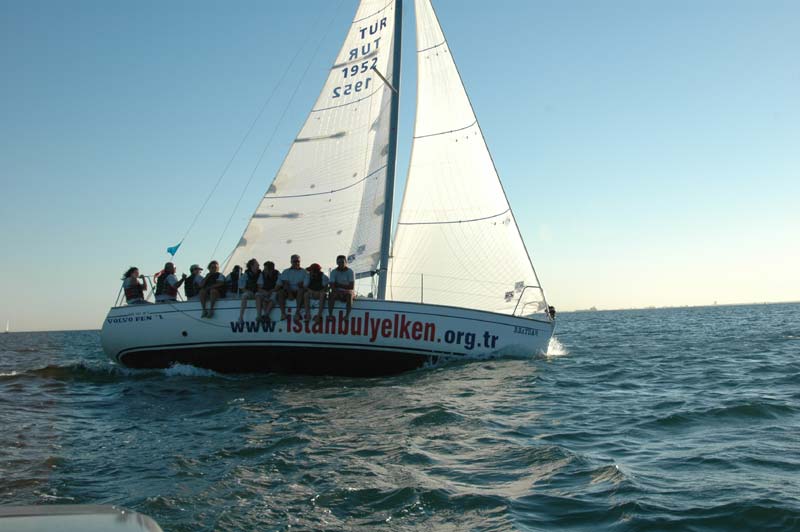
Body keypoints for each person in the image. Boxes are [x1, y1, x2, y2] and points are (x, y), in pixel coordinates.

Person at [277, 254, 306, 322]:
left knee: (301, 291)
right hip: (288, 290)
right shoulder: (286, 271)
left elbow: (305, 284)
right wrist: (290, 294)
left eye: (298, 261)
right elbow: (285, 284)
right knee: (280, 293)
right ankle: (283, 313)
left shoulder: (304, 272)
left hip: (299, 291)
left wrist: (302, 284)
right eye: (295, 261)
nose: (297, 263)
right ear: (291, 262)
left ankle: (297, 313)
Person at [328, 255, 355, 320]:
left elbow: (351, 287)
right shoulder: (333, 272)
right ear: (337, 263)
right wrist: (339, 291)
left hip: (348, 292)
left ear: (346, 262)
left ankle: (347, 316)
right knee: (331, 295)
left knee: (349, 295)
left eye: (342, 262)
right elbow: (332, 286)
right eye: (339, 262)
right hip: (337, 291)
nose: (341, 264)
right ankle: (330, 315)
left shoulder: (350, 271)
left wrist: (338, 285)